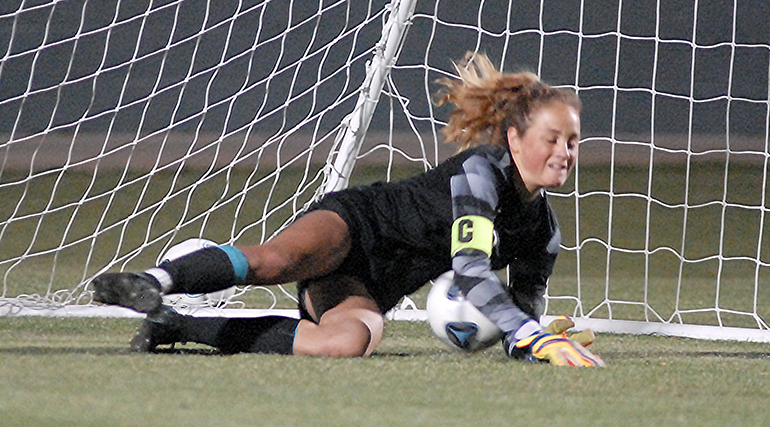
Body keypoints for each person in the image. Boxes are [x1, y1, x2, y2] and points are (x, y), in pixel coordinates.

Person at [92, 52, 604, 367]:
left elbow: (520, 326)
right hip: (356, 225)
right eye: (552, 138)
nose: (564, 152)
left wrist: (540, 337)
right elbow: (471, 271)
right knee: (276, 261)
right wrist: (530, 334)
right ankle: (153, 282)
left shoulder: (544, 233)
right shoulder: (480, 173)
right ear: (514, 138)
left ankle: (175, 326)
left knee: (342, 344)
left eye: (573, 142)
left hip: (371, 287)